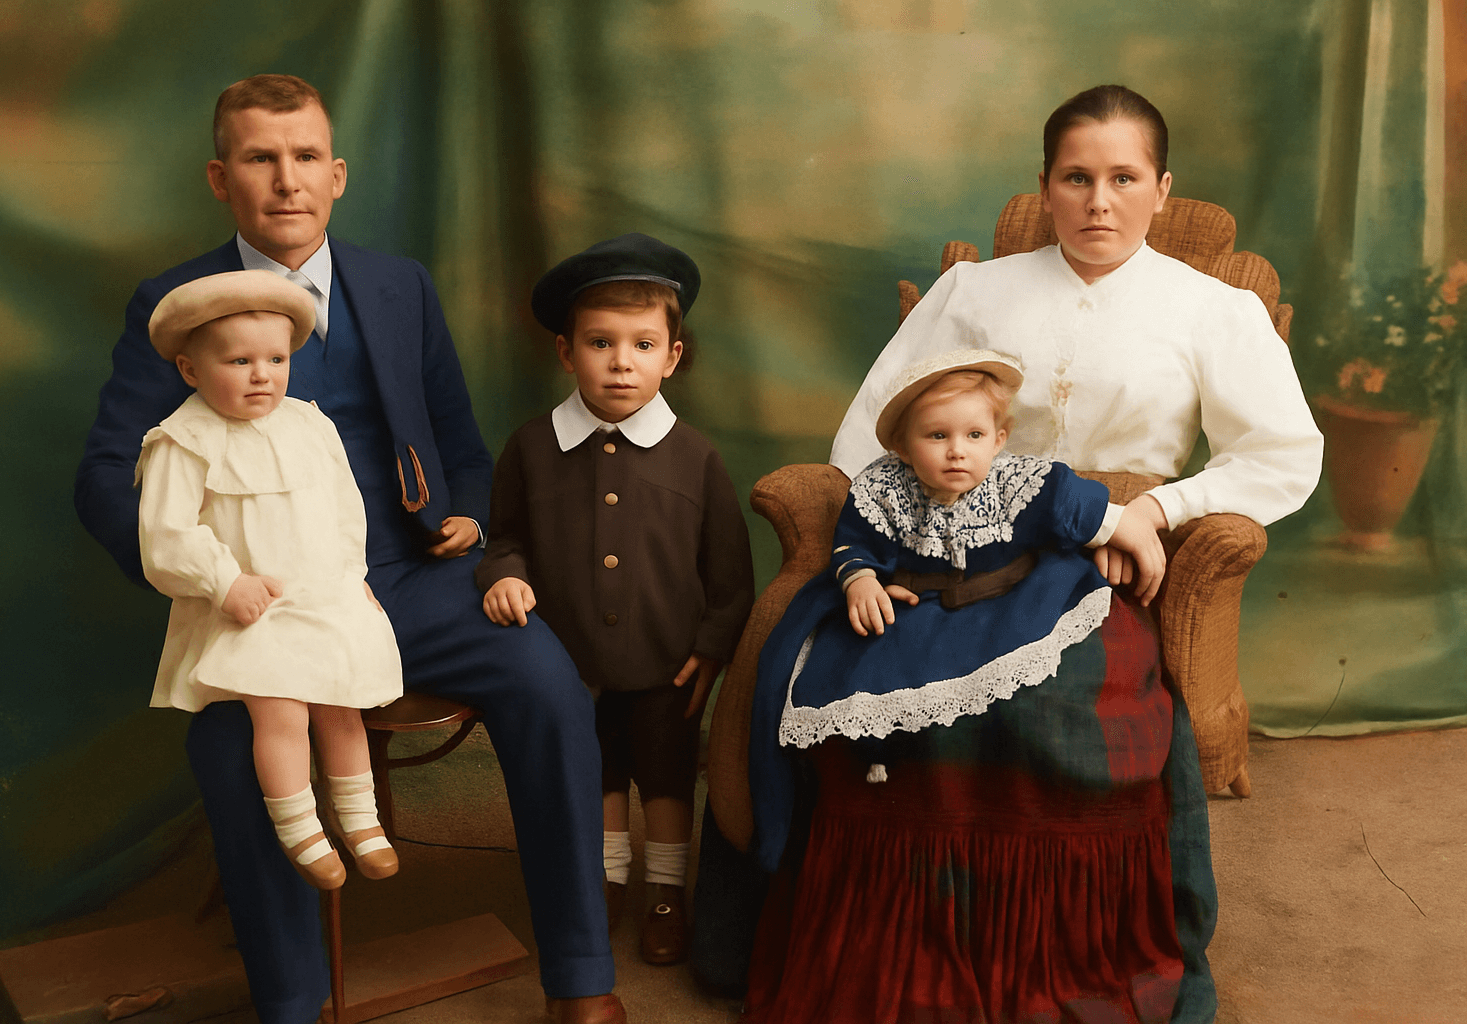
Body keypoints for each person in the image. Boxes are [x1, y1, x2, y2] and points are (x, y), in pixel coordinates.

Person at [718, 84, 1323, 1024]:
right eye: (1076, 178)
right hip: (934, 544)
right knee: (862, 687)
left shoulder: (1211, 309)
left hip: (1098, 556)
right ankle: (900, 952)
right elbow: (867, 438)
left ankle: (1050, 950)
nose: (1098, 202)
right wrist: (874, 554)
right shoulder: (977, 292)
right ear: (1044, 186)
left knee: (1061, 701)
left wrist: (1159, 509)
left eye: (1124, 179)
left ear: (1162, 189)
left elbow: (1283, 455)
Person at [75, 74, 625, 1024]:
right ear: (221, 177)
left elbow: (458, 440)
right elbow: (105, 474)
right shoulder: (172, 305)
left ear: (336, 175)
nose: (284, 182)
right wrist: (201, 580)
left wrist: (465, 515)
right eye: (258, 159)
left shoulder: (398, 285)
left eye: (302, 160)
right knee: (232, 746)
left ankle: (580, 978)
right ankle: (293, 1002)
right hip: (261, 599)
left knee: (545, 681)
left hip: (409, 581)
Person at [748, 349, 1179, 1023]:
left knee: (1058, 688)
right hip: (922, 607)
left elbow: (1086, 510)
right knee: (848, 683)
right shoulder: (883, 490)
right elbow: (852, 545)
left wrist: (1129, 528)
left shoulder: (1022, 485)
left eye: (974, 436)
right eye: (937, 436)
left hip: (1018, 602)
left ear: (1000, 439)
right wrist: (859, 578)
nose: (957, 453)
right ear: (901, 445)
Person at [477, 234, 755, 967]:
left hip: (668, 663)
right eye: (601, 343)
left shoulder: (695, 456)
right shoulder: (531, 448)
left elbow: (729, 572)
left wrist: (712, 646)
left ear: (673, 355)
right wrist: (501, 575)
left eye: (642, 344)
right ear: (567, 353)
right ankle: (605, 880)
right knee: (593, 773)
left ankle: (666, 890)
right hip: (568, 665)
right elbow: (501, 538)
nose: (621, 362)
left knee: (665, 777)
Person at [139, 270, 403, 891]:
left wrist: (351, 576)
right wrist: (226, 581)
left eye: (276, 359)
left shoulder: (311, 425)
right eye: (239, 360)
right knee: (281, 712)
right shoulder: (184, 440)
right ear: (191, 370)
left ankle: (361, 822)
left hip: (324, 595)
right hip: (253, 608)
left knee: (342, 706)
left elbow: (345, 509)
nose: (262, 374)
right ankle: (300, 827)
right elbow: (166, 535)